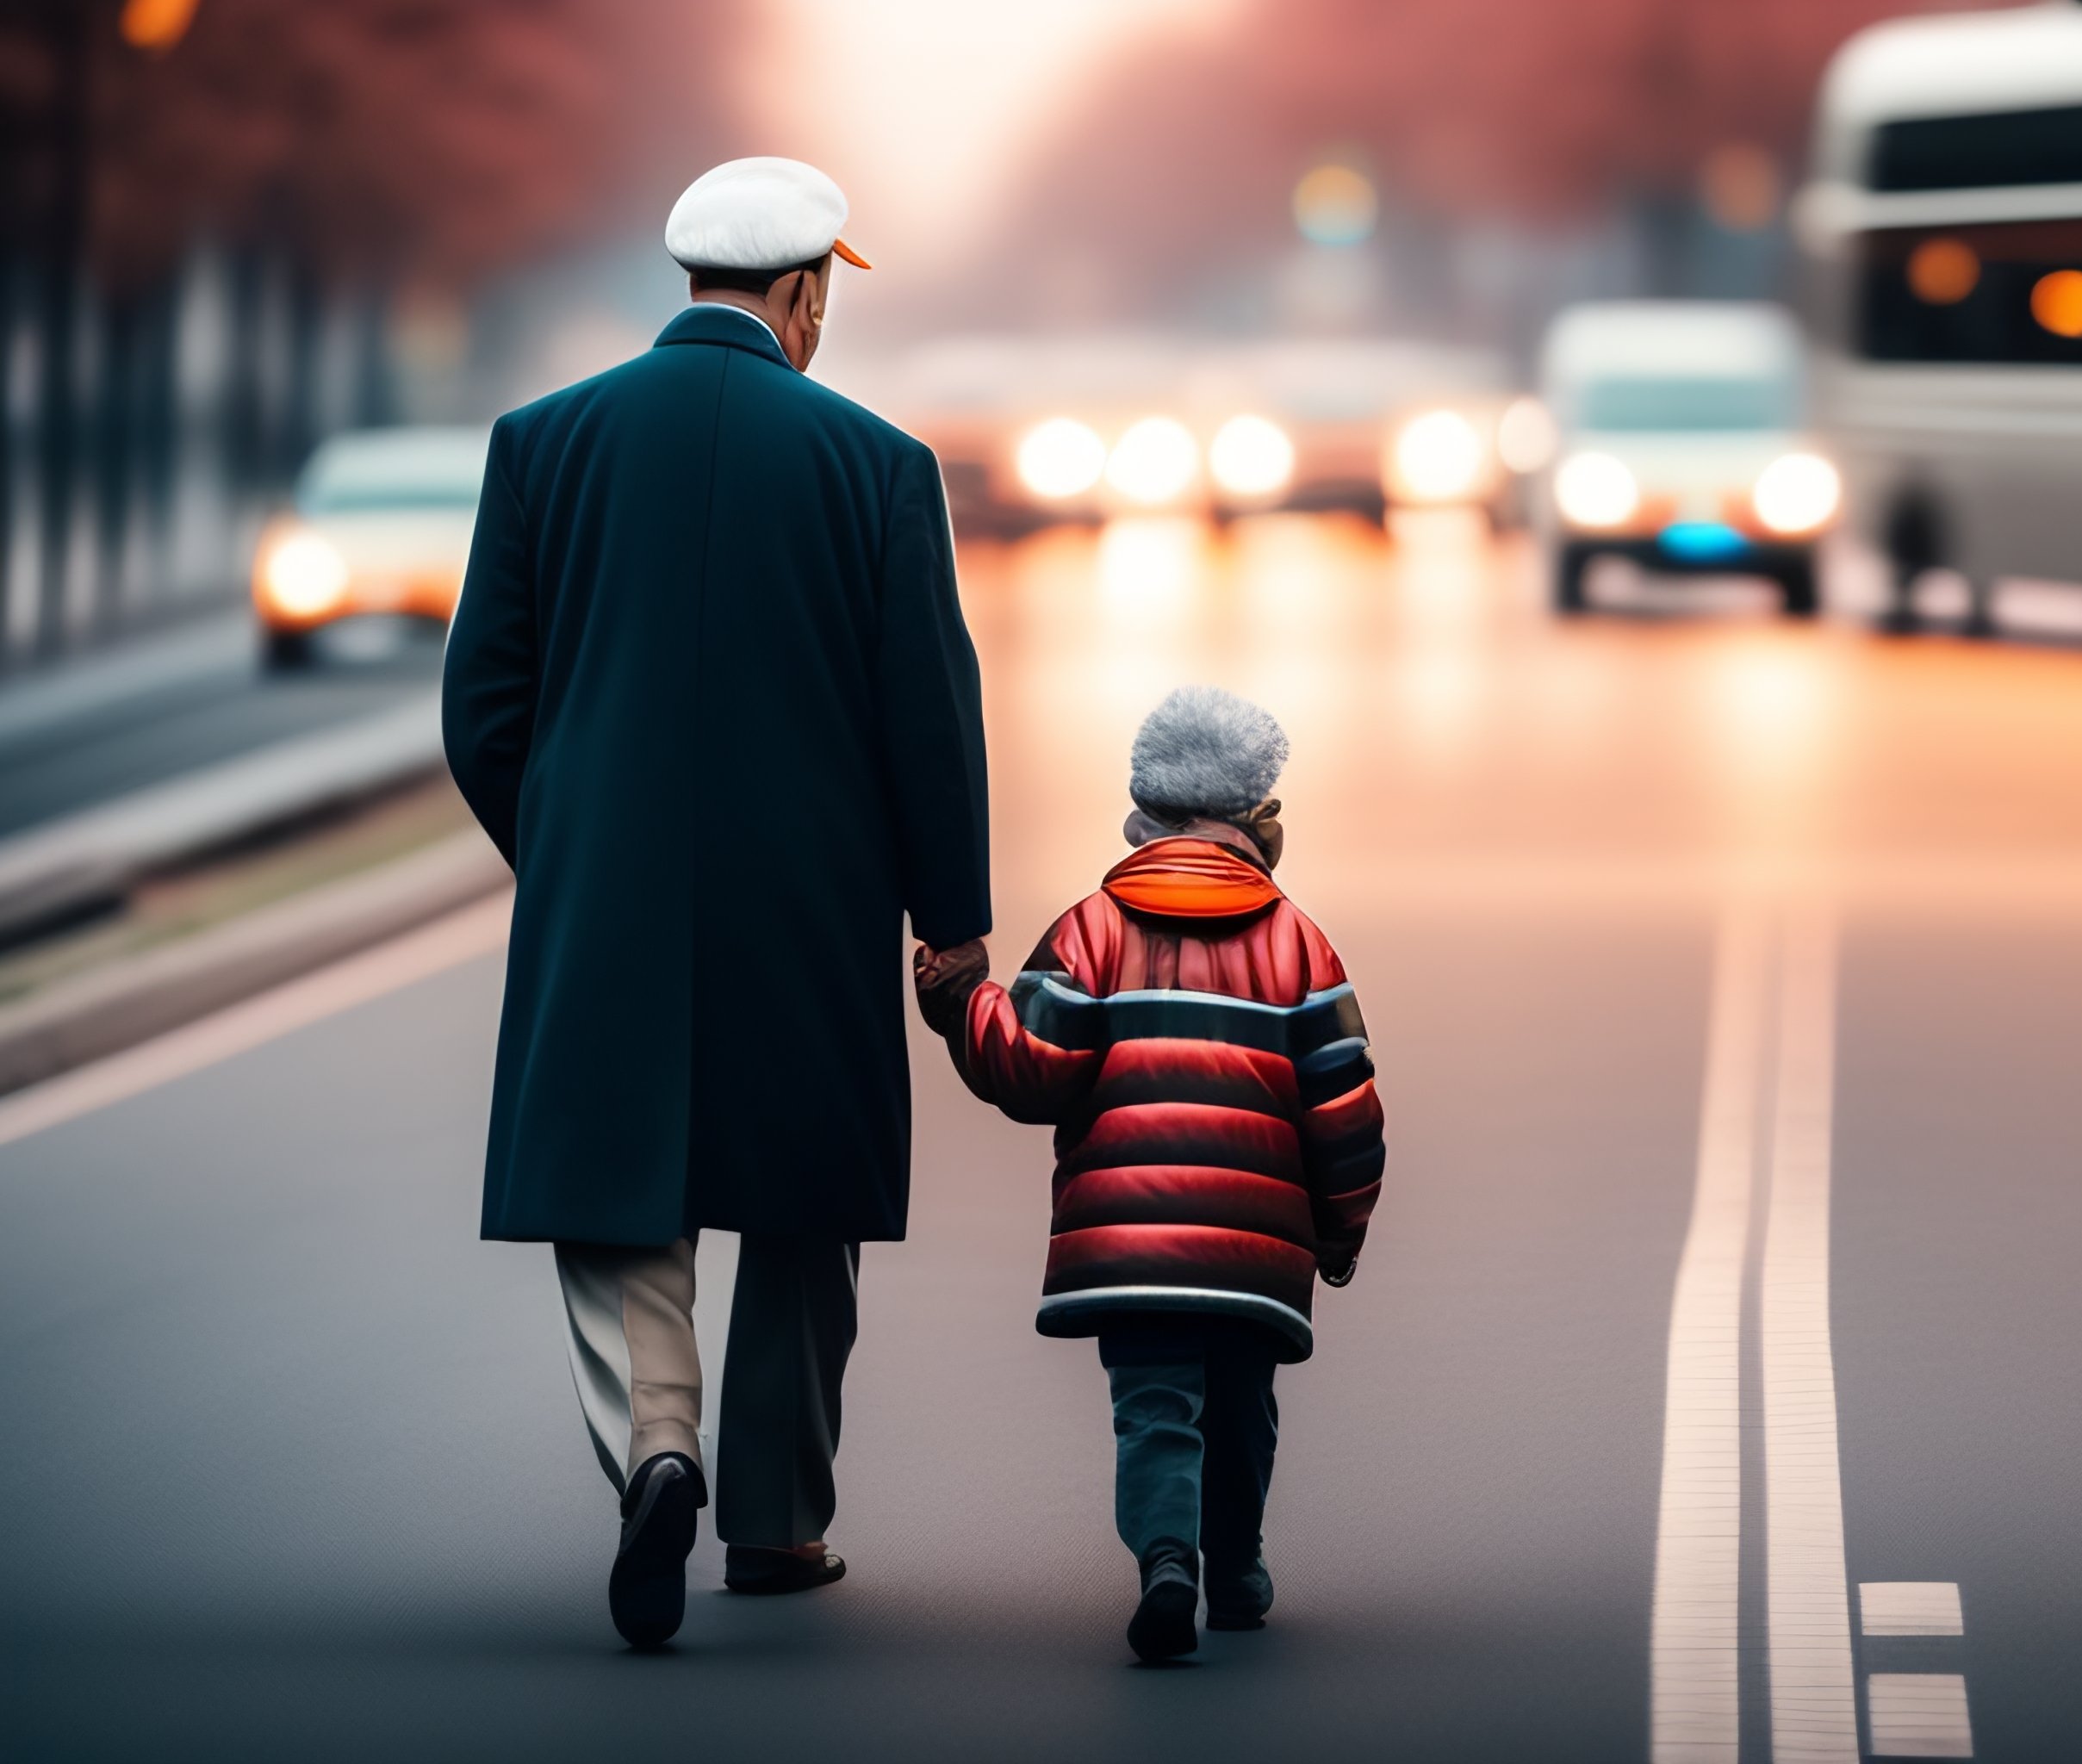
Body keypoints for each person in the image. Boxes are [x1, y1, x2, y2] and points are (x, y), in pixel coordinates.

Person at [441, 157, 991, 1649]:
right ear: (806, 293)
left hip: (602, 895)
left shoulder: (540, 443)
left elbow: (481, 704)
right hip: (812, 902)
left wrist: (563, 846)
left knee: (619, 1193)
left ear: (690, 284)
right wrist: (951, 922)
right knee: (806, 1204)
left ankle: (657, 1442)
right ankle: (776, 1520)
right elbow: (925, 716)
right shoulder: (878, 465)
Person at [913, 686, 1387, 1662]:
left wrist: (964, 1000)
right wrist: (1339, 1233)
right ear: (1260, 824)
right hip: (1257, 1247)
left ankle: (1168, 1559)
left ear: (1143, 813)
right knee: (1243, 1407)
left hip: (1129, 1242)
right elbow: (1345, 1109)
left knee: (1155, 1406)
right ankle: (1241, 1565)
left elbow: (1030, 1068)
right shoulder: (1300, 943)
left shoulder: (1092, 929)